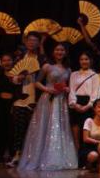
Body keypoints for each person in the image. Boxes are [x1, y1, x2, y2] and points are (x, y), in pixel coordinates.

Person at [19, 43, 79, 171]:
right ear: (53, 52)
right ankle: (42, 157)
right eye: (57, 50)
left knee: (60, 127)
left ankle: (58, 157)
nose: (59, 52)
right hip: (48, 99)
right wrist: (47, 89)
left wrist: (67, 89)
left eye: (62, 50)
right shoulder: (47, 66)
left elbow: (69, 86)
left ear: (65, 52)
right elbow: (36, 82)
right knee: (45, 126)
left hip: (61, 101)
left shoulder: (68, 69)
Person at [80, 99, 100, 173]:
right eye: (99, 107)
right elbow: (85, 138)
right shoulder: (89, 121)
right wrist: (98, 142)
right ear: (94, 109)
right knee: (93, 155)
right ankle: (88, 165)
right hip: (89, 146)